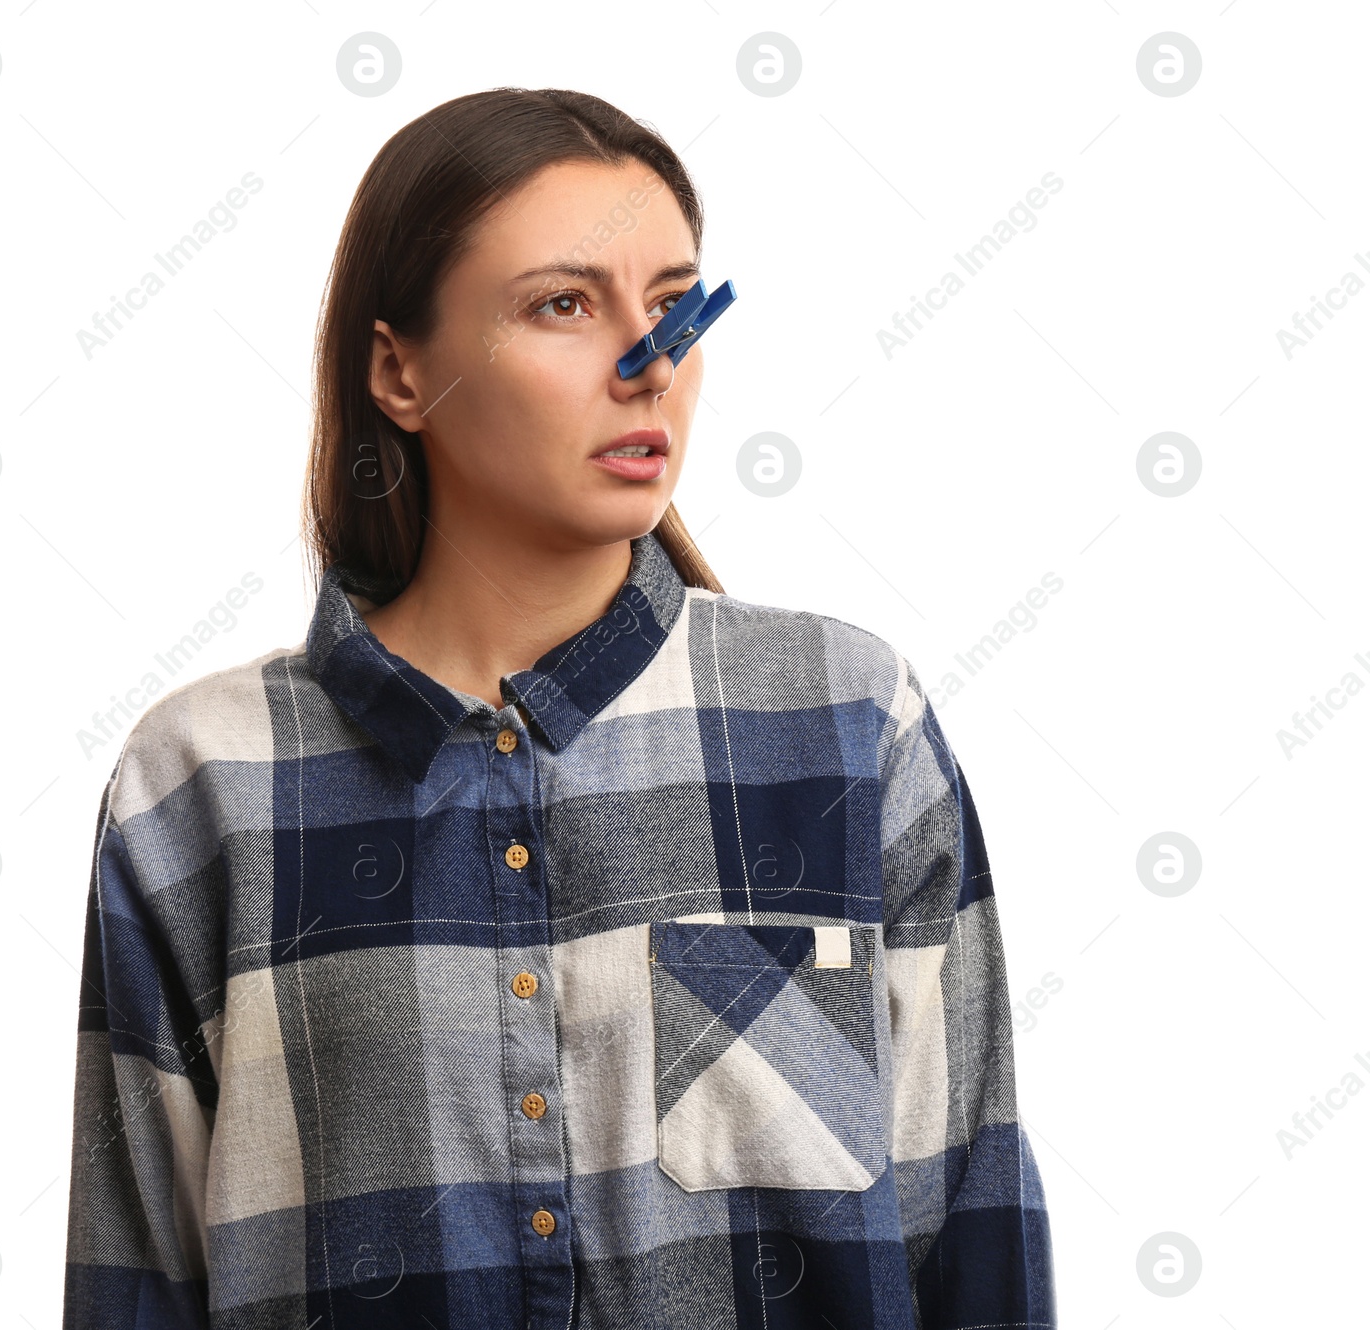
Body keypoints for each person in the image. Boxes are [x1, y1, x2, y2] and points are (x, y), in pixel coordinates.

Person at [61, 86, 1057, 1330]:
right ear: (400, 371)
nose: (649, 362)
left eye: (674, 304)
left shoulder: (848, 725)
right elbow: (135, 1284)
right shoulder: (202, 782)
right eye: (563, 305)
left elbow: (977, 1241)